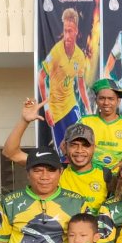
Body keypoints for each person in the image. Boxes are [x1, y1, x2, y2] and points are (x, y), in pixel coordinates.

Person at [2, 103, 112, 214]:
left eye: (85, 145)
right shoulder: (54, 170)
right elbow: (10, 153)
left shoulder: (107, 175)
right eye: (74, 145)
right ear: (64, 147)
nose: (79, 150)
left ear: (94, 148)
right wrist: (24, 121)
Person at [37, 8, 91, 156]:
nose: (67, 35)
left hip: (71, 106)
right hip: (56, 112)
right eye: (65, 30)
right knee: (63, 155)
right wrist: (47, 108)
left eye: (70, 31)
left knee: (80, 146)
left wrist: (89, 110)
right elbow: (40, 77)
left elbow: (80, 86)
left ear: (76, 31)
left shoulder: (80, 56)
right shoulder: (55, 53)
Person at [80, 78, 122, 172]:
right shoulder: (85, 122)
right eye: (102, 98)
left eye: (111, 99)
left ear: (118, 101)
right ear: (96, 100)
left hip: (118, 176)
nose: (106, 103)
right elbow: (67, 145)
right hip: (90, 175)